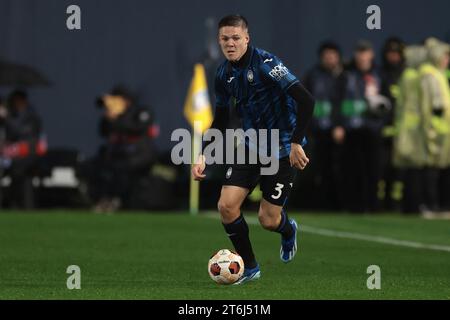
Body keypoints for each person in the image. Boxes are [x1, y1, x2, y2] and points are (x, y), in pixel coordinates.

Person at [191, 15, 314, 285]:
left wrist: (296, 142)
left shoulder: (268, 64)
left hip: (282, 149)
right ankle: (250, 267)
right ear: (219, 41)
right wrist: (204, 154)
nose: (230, 43)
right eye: (225, 39)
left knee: (268, 219)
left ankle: (286, 228)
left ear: (247, 38)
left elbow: (306, 100)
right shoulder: (223, 74)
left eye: (236, 38)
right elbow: (221, 120)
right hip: (250, 147)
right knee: (226, 206)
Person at [337, 40, 391, 213]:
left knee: (374, 169)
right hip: (353, 130)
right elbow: (338, 101)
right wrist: (339, 125)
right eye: (359, 52)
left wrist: (383, 121)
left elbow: (389, 102)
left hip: (373, 129)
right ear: (355, 55)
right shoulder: (347, 75)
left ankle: (373, 205)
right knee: (353, 170)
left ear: (371, 54)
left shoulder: (379, 75)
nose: (362, 56)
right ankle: (355, 206)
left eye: (365, 52)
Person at [92, 85, 158, 212]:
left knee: (122, 169)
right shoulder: (113, 115)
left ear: (126, 100)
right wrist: (109, 118)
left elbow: (138, 128)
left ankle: (117, 200)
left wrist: (117, 119)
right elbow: (103, 132)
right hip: (119, 154)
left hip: (141, 154)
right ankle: (104, 199)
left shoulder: (141, 112)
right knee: (101, 168)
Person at [303, 41, 344, 210]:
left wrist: (340, 125)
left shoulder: (344, 76)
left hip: (339, 131)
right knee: (317, 169)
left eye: (333, 55)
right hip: (317, 132)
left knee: (338, 169)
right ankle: (320, 204)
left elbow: (343, 104)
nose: (330, 59)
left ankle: (339, 204)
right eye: (327, 56)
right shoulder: (313, 76)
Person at [0, 89, 46, 209]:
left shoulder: (31, 116)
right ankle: (13, 204)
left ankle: (16, 204)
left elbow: (20, 133)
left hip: (28, 156)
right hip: (13, 157)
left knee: (20, 173)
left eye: (15, 100)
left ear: (21, 100)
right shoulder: (12, 115)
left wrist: (6, 118)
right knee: (13, 171)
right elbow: (9, 137)